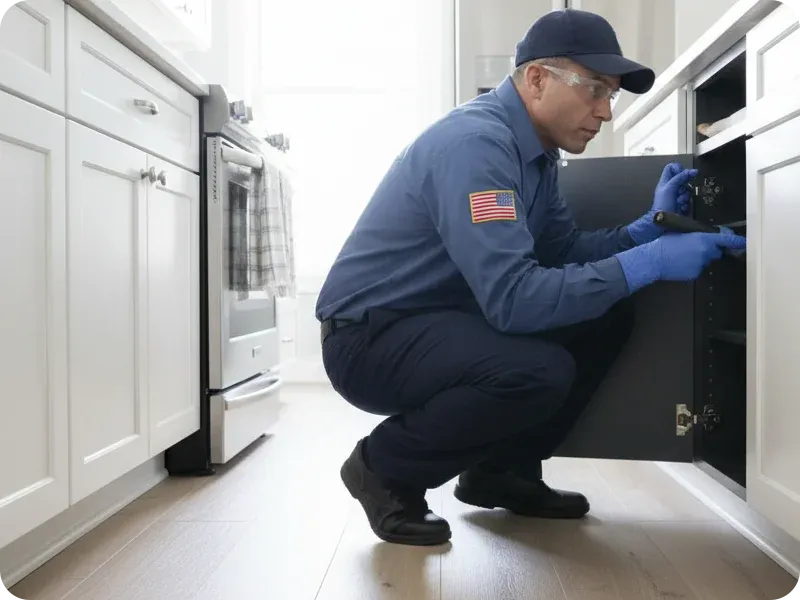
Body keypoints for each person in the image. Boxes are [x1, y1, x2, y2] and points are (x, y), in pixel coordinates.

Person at [315, 9, 746, 547]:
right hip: (371, 338)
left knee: (606, 313)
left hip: (439, 318)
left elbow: (561, 253)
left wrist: (642, 234)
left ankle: (501, 471)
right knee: (536, 370)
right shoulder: (476, 146)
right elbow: (515, 302)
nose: (606, 113)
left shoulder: (536, 157)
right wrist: (652, 263)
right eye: (594, 90)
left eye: (610, 96)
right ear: (537, 79)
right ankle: (384, 468)